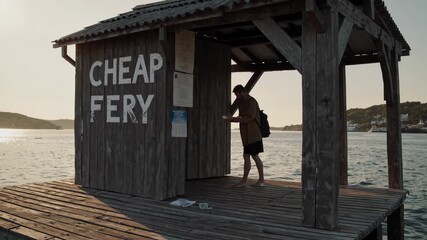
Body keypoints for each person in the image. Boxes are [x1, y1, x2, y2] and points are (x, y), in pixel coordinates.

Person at [226, 85, 265, 187]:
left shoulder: (252, 101)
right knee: (247, 156)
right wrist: (232, 118)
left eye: (237, 94)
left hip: (254, 134)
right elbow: (242, 116)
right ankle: (244, 181)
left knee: (254, 156)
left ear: (242, 92)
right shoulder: (241, 102)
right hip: (246, 135)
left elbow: (250, 118)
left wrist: (234, 119)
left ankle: (260, 180)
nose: (236, 97)